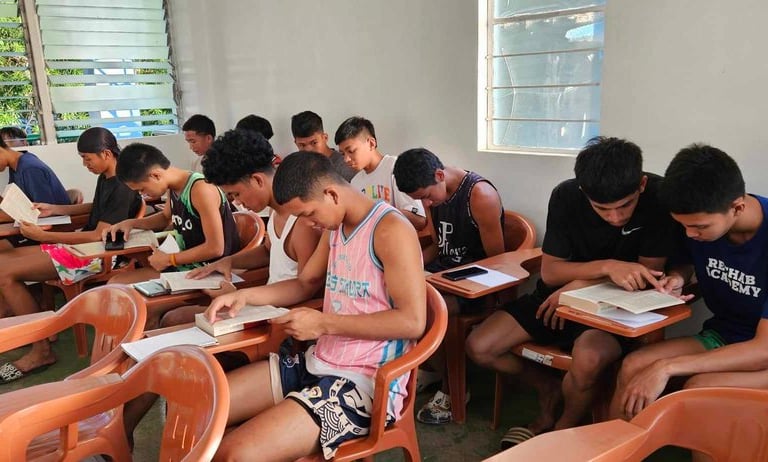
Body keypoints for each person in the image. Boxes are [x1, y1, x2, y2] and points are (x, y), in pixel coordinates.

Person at [205, 151, 426, 461]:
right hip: (318, 361)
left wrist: (323, 324)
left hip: (364, 381)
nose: (309, 224)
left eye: (309, 214)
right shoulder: (335, 227)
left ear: (331, 194)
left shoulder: (389, 230)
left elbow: (412, 322)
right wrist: (245, 297)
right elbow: (304, 283)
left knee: (235, 455)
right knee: (204, 404)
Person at [464, 136, 678, 445]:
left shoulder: (658, 198)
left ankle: (561, 429)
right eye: (602, 209)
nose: (616, 217)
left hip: (614, 308)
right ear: (583, 191)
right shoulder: (565, 195)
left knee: (589, 358)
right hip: (554, 297)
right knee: (479, 346)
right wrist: (607, 267)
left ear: (641, 185)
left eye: (625, 206)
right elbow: (551, 272)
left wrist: (580, 284)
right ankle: (548, 389)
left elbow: (647, 277)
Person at [611, 145, 768, 436]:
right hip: (725, 335)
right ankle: (614, 450)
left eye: (699, 227)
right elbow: (686, 262)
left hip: (762, 349)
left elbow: (763, 350)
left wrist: (667, 367)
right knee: (634, 366)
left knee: (699, 389)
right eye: (682, 226)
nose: (690, 234)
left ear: (737, 207)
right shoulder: (699, 224)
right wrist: (679, 277)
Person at [0, 127, 142, 383]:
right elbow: (96, 208)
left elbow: (98, 235)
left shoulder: (122, 184)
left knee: (4, 272)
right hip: (82, 248)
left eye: (87, 158)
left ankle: (41, 349)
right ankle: (36, 336)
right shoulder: (108, 176)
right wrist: (55, 208)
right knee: (3, 265)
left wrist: (45, 236)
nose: (85, 164)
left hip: (96, 255)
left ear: (106, 154)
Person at [158, 129, 321, 327]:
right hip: (262, 304)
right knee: (172, 317)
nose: (237, 202)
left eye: (236, 194)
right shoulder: (276, 210)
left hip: (280, 316)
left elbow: (305, 289)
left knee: (174, 319)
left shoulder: (303, 222)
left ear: (257, 180)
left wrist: (241, 295)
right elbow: (268, 251)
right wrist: (229, 261)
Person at [393, 147, 505, 424]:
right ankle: (432, 370)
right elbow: (438, 245)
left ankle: (452, 387)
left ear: (440, 175)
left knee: (426, 314)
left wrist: (444, 279)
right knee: (392, 297)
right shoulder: (433, 194)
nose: (426, 204)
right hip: (443, 276)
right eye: (420, 200)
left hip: (477, 284)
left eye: (427, 197)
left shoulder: (479, 196)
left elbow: (499, 262)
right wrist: (412, 267)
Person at [104, 143, 240, 325]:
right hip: (183, 268)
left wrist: (170, 259)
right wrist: (131, 223)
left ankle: (149, 337)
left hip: (207, 272)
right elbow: (164, 218)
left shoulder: (200, 189)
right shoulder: (174, 187)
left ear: (155, 175)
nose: (143, 195)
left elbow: (216, 248)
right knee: (115, 285)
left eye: (142, 190)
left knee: (139, 308)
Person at [335, 116, 427, 230]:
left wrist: (377, 213)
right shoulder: (355, 182)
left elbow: (419, 220)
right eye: (342, 154)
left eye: (351, 151)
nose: (346, 159)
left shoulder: (396, 168)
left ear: (371, 143)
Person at [0, 130, 70, 248]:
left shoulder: (30, 168)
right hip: (34, 224)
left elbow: (40, 213)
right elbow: (12, 202)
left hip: (50, 229)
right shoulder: (16, 164)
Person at [290, 110, 357, 181]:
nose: (308, 150)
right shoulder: (296, 169)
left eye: (314, 143)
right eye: (302, 145)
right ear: (296, 143)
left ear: (325, 138)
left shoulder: (345, 166)